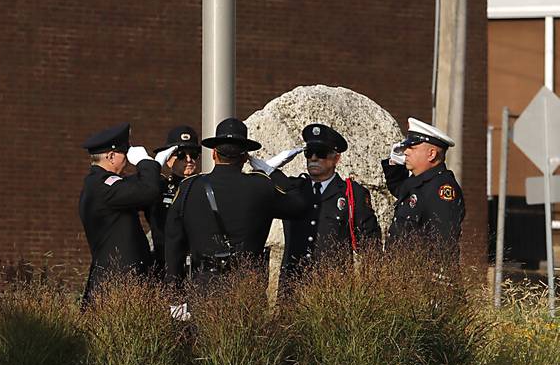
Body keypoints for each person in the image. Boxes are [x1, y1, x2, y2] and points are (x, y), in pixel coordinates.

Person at [164, 117, 310, 285]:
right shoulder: (261, 186)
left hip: (203, 288)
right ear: (245, 157)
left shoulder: (189, 188)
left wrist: (174, 294)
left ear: (214, 154)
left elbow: (174, 243)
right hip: (246, 288)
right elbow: (299, 206)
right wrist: (270, 170)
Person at [279, 122, 381, 283]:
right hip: (293, 290)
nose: (313, 158)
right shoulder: (293, 189)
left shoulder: (352, 194)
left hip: (332, 290)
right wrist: (270, 167)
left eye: (321, 153)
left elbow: (370, 245)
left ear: (336, 158)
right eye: (309, 153)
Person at [78, 122, 161, 304]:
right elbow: (149, 191)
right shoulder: (104, 186)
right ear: (111, 156)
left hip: (118, 283)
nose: (127, 158)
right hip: (117, 286)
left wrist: (155, 166)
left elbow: (136, 188)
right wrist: (145, 162)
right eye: (125, 152)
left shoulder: (100, 184)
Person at [381, 117, 465, 256]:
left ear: (431, 154)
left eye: (412, 147)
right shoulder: (420, 182)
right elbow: (399, 189)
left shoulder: (442, 189)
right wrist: (394, 162)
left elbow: (443, 243)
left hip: (421, 276)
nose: (406, 152)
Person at [146, 125, 201, 273]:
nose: (189, 160)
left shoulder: (203, 186)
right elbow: (138, 189)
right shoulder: (159, 187)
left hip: (196, 265)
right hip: (164, 264)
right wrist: (156, 166)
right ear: (169, 159)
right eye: (181, 155)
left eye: (194, 154)